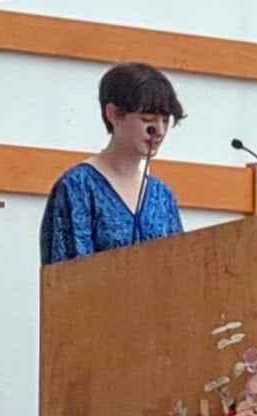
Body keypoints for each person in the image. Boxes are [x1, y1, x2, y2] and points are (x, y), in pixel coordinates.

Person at [40, 62, 187, 266]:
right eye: (147, 119)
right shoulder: (77, 187)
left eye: (165, 120)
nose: (160, 130)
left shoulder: (163, 195)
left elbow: (179, 269)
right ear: (114, 114)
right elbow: (69, 278)